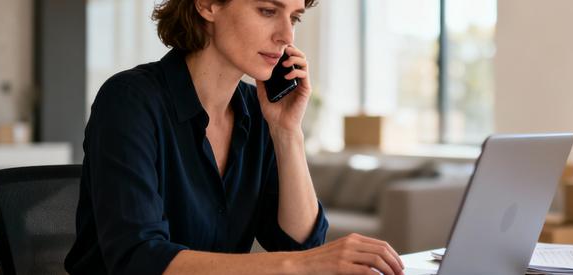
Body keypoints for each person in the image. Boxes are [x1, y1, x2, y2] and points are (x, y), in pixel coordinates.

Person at [64, 0, 405, 274]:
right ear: (207, 5)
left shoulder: (259, 113)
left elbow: (300, 243)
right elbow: (138, 260)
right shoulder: (129, 100)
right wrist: (301, 265)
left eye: (294, 18)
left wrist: (287, 132)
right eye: (268, 11)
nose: (287, 36)